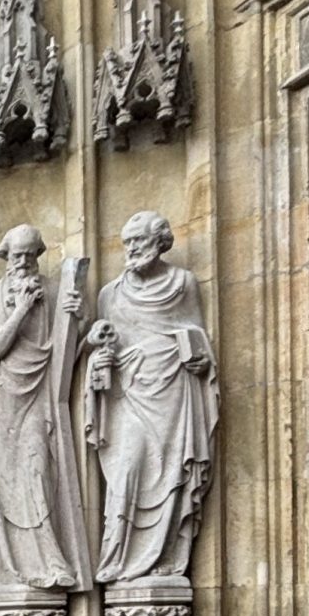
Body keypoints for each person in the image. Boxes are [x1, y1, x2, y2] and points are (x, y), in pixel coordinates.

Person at [84, 212, 218, 585]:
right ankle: (120, 558)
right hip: (128, 394)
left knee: (173, 474)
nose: (131, 249)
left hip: (173, 394)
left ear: (160, 242)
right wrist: (97, 360)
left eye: (138, 241)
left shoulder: (183, 283)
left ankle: (165, 558)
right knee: (126, 468)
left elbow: (195, 333)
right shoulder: (110, 293)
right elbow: (102, 346)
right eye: (127, 242)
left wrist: (201, 359)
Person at [0, 223, 89, 589]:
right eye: (16, 256)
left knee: (38, 471)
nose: (22, 262)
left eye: (29, 255)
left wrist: (79, 320)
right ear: (5, 257)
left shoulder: (53, 292)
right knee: (3, 483)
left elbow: (66, 354)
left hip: (39, 400)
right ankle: (13, 570)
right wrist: (21, 310)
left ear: (38, 256)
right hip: (0, 404)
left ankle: (51, 560)